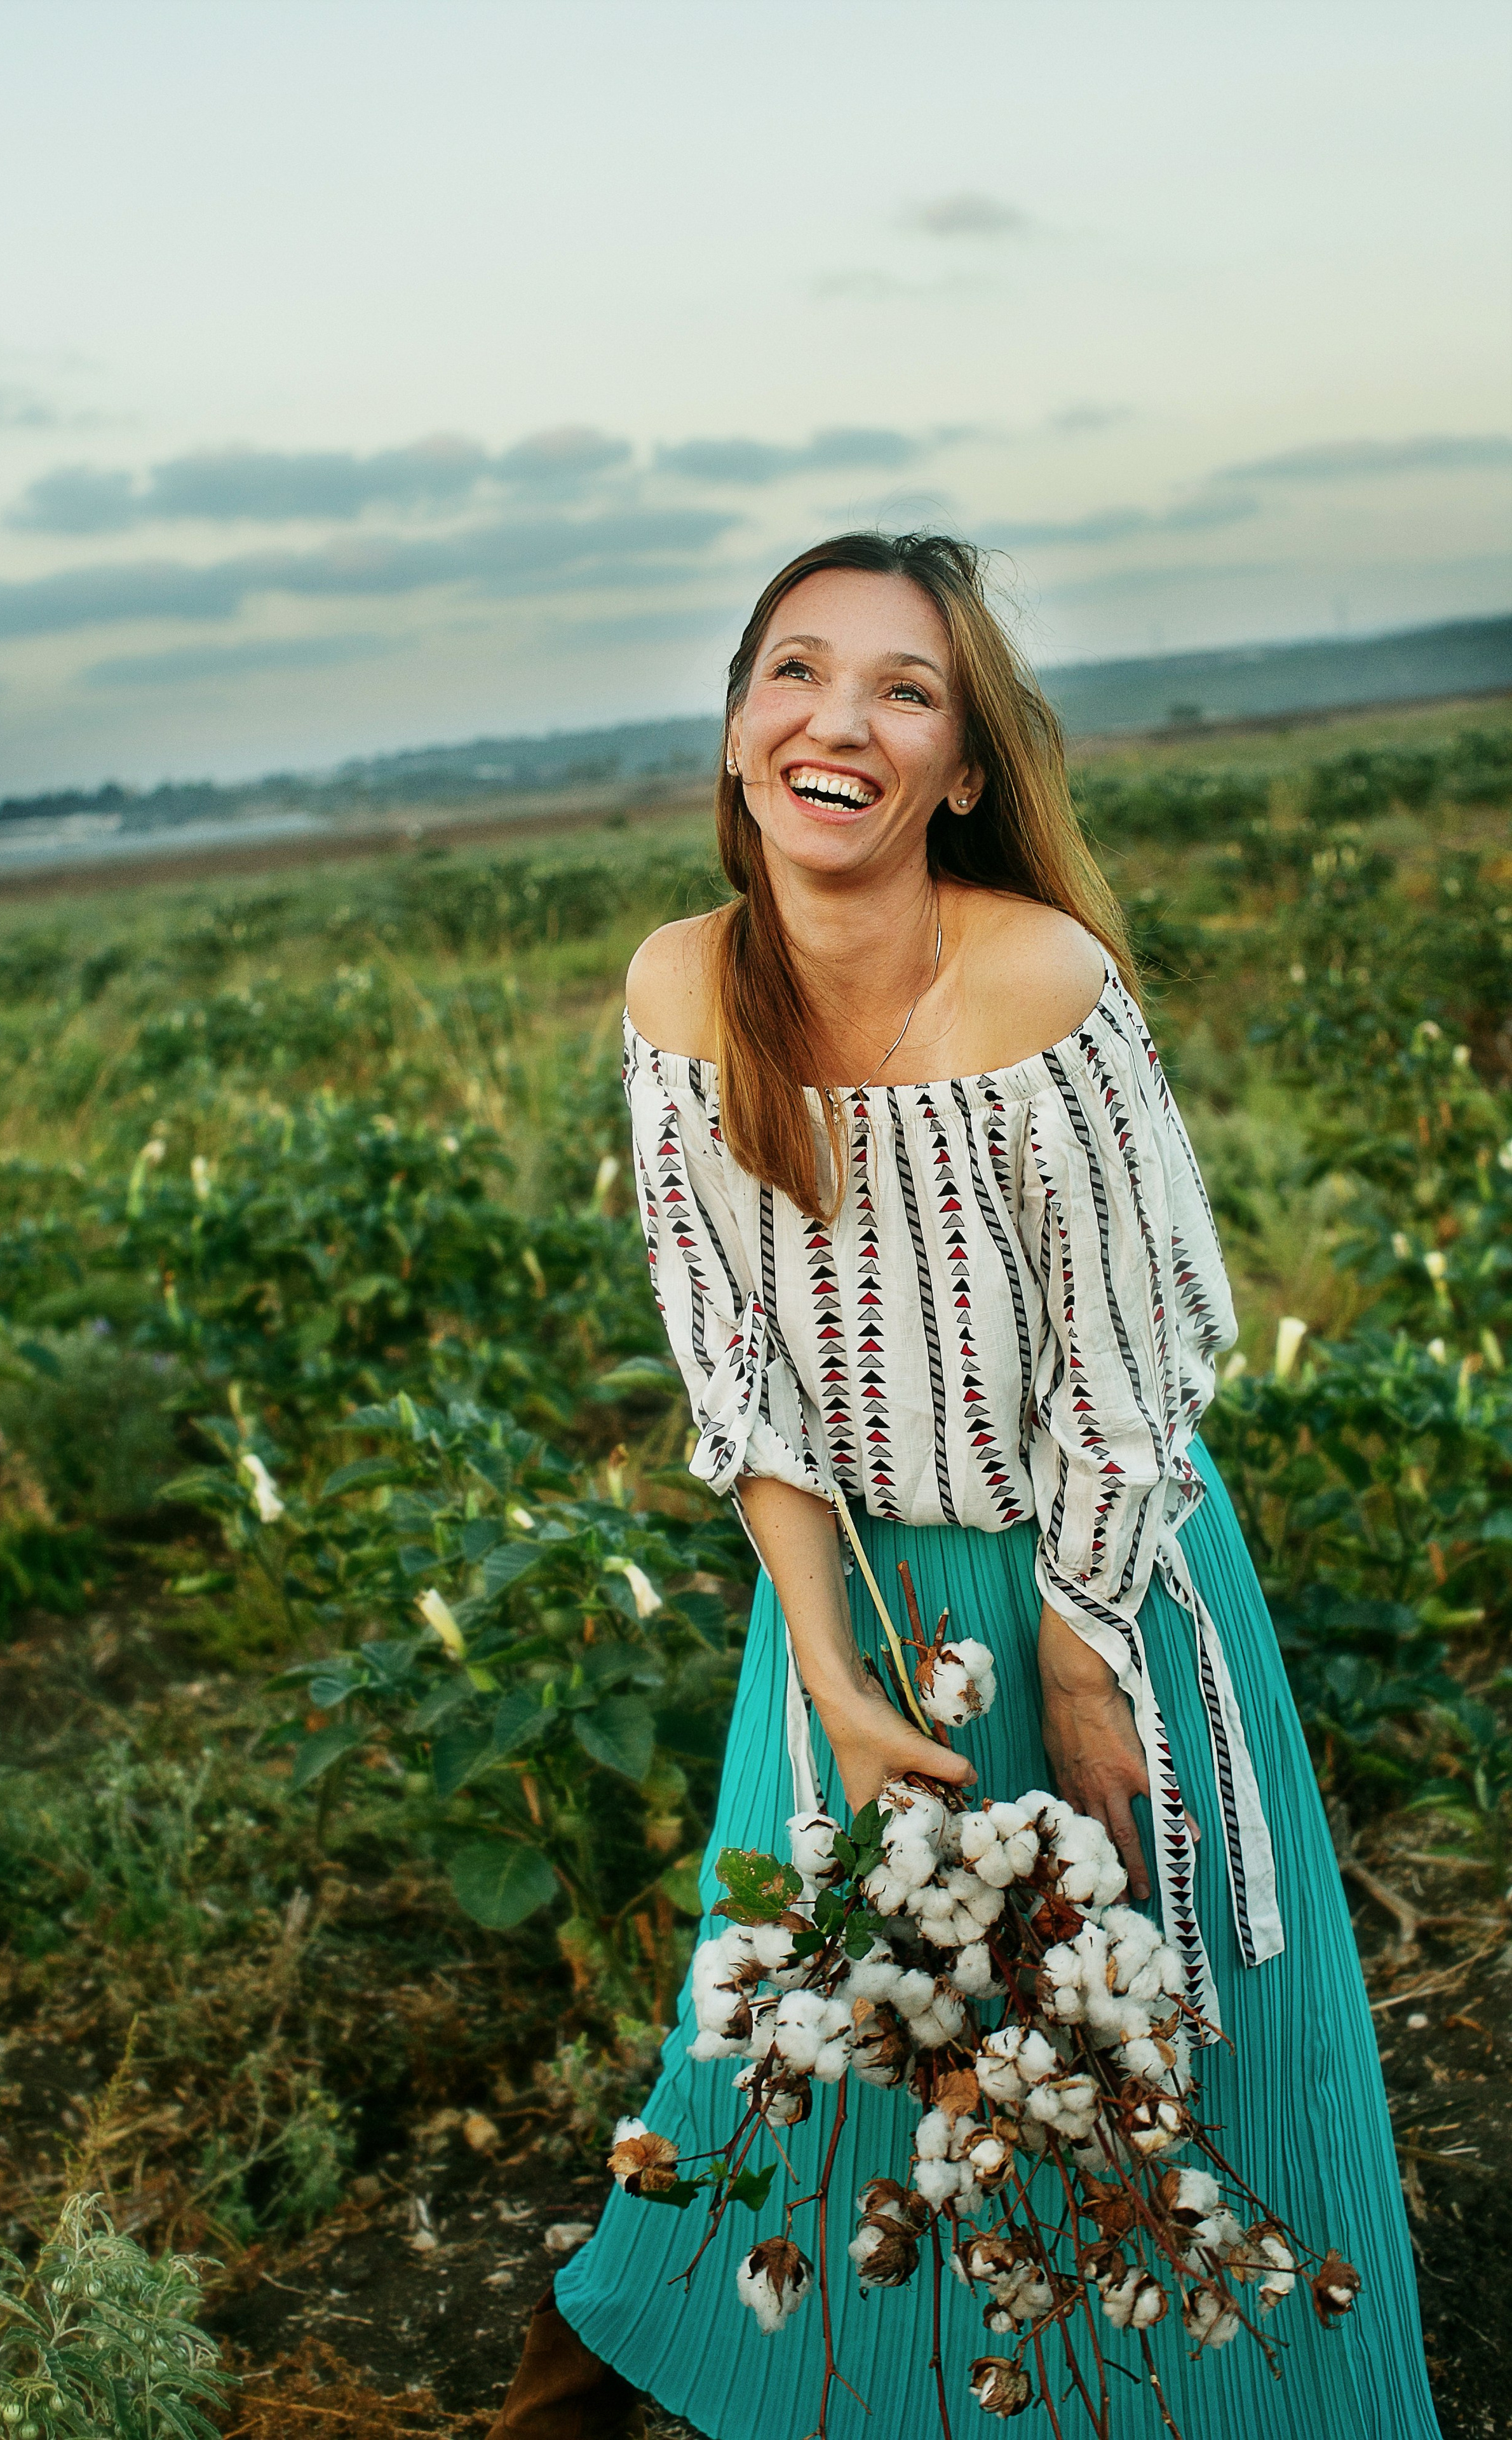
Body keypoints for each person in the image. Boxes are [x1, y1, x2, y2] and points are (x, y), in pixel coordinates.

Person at [489, 532, 1440, 2439]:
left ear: (967, 766)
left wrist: (1088, 1663)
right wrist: (823, 1674)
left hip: (1101, 1583)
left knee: (1159, 2041)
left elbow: (1132, 1369)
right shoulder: (683, 989)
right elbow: (734, 1375)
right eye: (794, 672)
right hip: (843, 1604)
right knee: (850, 2043)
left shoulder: (1036, 983)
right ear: (742, 725)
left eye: (903, 690)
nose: (837, 719)